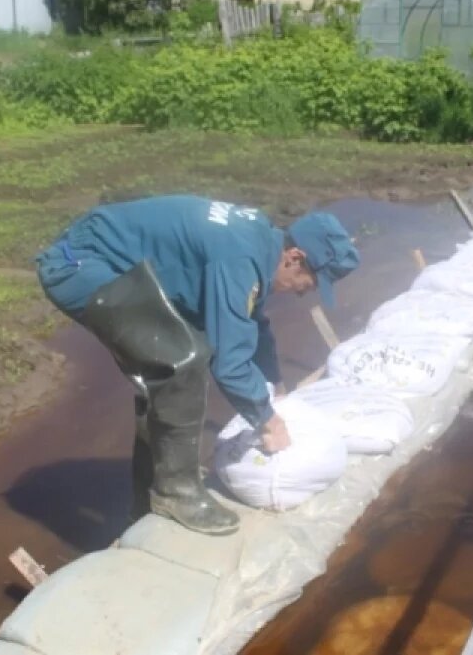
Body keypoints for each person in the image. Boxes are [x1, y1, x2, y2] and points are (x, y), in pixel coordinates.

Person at [34, 195, 359, 535]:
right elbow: (230, 366)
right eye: (310, 283)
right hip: (80, 266)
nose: (304, 293)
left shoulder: (261, 244)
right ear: (294, 258)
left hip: (110, 261)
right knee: (183, 360)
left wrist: (276, 385)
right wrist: (268, 421)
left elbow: (250, 322)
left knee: (169, 364)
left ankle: (150, 495)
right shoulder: (241, 258)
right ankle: (176, 491)